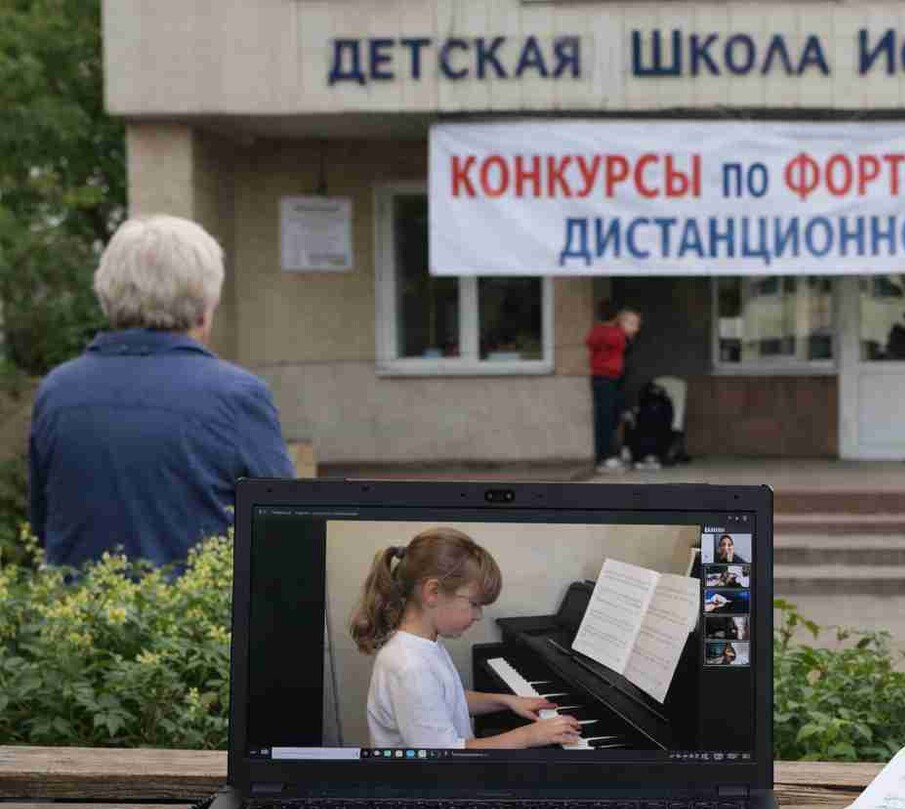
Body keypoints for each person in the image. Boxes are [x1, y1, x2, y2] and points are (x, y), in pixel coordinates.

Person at [28, 215, 294, 567]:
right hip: (198, 602)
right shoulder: (238, 397)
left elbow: (42, 529)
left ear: (107, 294)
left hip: (80, 602)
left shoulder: (57, 393)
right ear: (205, 308)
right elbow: (287, 532)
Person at [352, 527, 583, 750]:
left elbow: (448, 700)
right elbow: (445, 756)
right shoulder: (409, 666)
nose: (478, 615)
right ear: (433, 592)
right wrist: (528, 736)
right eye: (474, 604)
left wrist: (506, 701)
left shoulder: (422, 644)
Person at [586, 301, 641, 473]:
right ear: (616, 317)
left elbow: (590, 341)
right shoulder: (616, 335)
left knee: (607, 417)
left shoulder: (596, 332)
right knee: (607, 419)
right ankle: (605, 458)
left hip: (602, 378)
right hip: (608, 379)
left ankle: (607, 456)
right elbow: (624, 342)